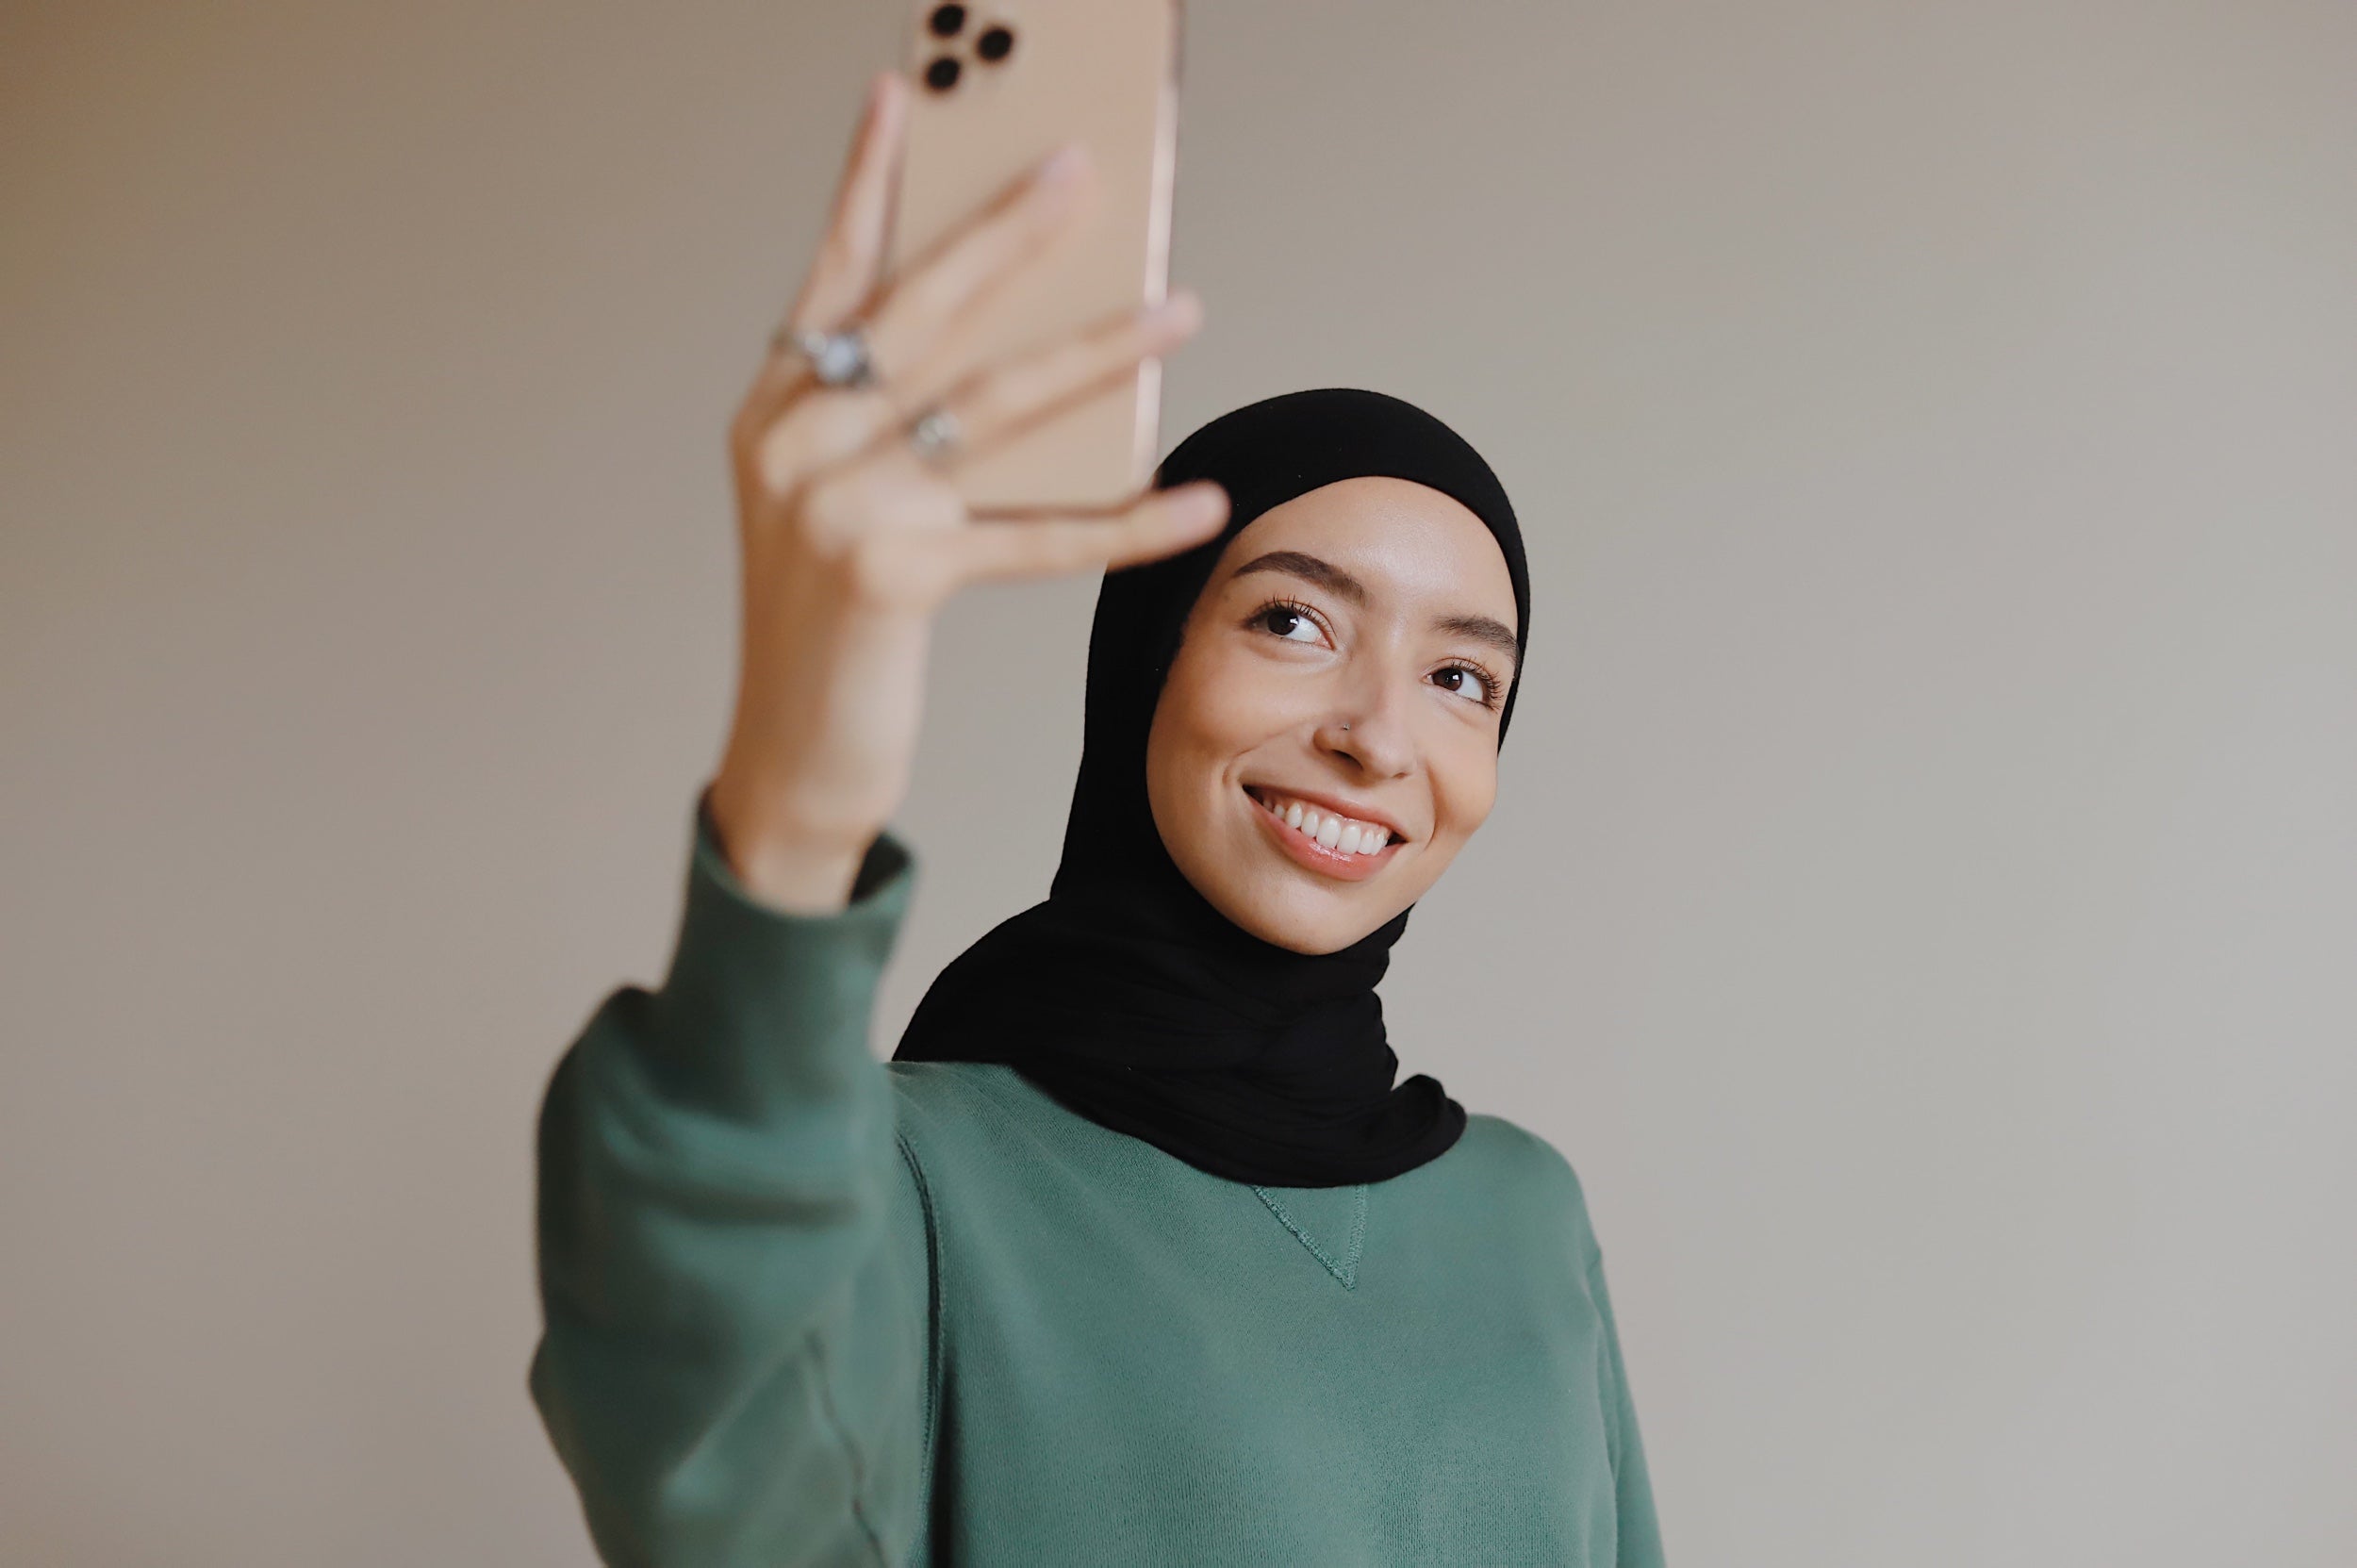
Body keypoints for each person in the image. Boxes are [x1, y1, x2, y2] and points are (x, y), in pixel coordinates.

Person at [530, 70, 1664, 1567]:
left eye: (1461, 675)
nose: (1380, 736)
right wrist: (804, 777)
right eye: (1296, 625)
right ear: (1146, 660)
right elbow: (701, 1465)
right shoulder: (904, 1180)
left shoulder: (1525, 1217)